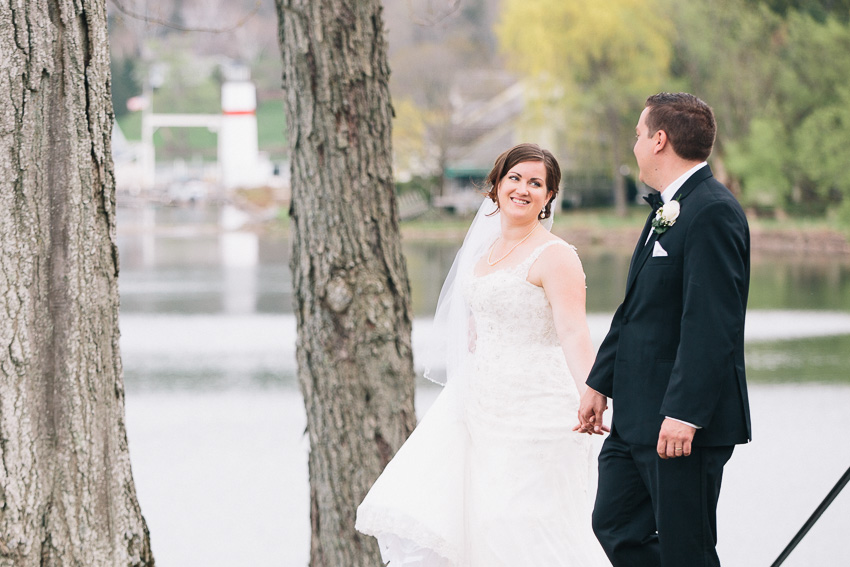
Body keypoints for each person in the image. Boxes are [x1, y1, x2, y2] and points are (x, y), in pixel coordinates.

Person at [356, 143, 610, 566]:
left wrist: (590, 391)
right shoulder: (482, 255)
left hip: (538, 408)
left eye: (536, 183)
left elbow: (572, 331)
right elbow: (480, 326)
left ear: (549, 197)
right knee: (476, 521)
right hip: (480, 405)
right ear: (496, 185)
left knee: (529, 522)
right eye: (515, 178)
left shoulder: (557, 256)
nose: (523, 189)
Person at [576, 93, 752, 566]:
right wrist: (599, 381)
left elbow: (712, 325)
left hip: (680, 424)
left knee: (686, 551)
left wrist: (685, 414)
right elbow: (637, 310)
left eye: (637, 134)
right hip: (636, 414)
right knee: (614, 524)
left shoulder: (712, 211)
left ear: (659, 140)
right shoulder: (669, 208)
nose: (633, 145)